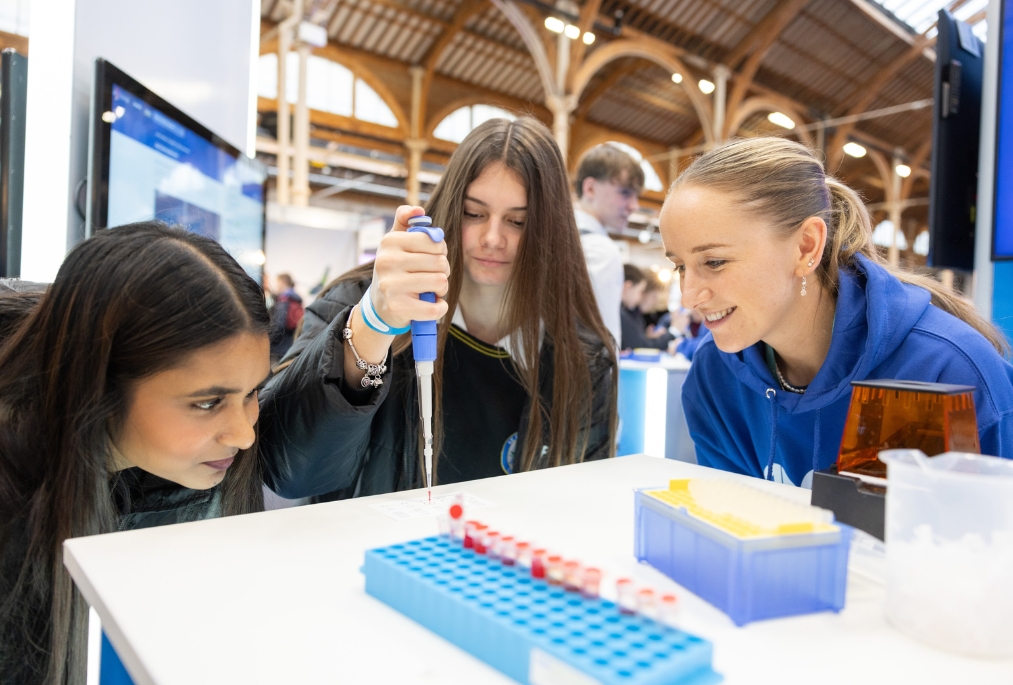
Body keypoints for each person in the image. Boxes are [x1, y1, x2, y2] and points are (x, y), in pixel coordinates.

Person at [0, 222, 318, 684]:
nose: (244, 435)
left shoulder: (188, 467)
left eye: (253, 393)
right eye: (206, 403)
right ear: (101, 383)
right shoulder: (14, 506)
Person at [259, 117, 617, 499]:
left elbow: (581, 508)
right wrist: (371, 327)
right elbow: (287, 470)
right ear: (450, 207)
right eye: (473, 213)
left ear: (550, 230)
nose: (493, 238)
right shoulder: (357, 301)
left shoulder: (582, 361)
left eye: (518, 221)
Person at [661, 137, 1013, 487]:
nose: (689, 296)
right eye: (680, 266)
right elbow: (728, 525)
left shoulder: (947, 371)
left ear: (806, 247)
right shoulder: (715, 374)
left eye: (714, 262)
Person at [574, 145, 644, 348]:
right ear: (590, 188)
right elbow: (602, 346)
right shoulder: (600, 250)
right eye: (625, 193)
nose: (634, 205)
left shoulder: (554, 235)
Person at [620, 264, 672, 351]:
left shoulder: (633, 315)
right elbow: (640, 346)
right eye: (640, 291)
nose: (655, 302)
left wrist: (647, 337)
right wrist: (674, 331)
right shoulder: (623, 314)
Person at [269, 272, 304, 360]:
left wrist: (268, 339)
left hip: (279, 347)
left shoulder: (284, 299)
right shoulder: (295, 298)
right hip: (291, 344)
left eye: (278, 282)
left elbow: (279, 325)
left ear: (283, 282)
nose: (277, 286)